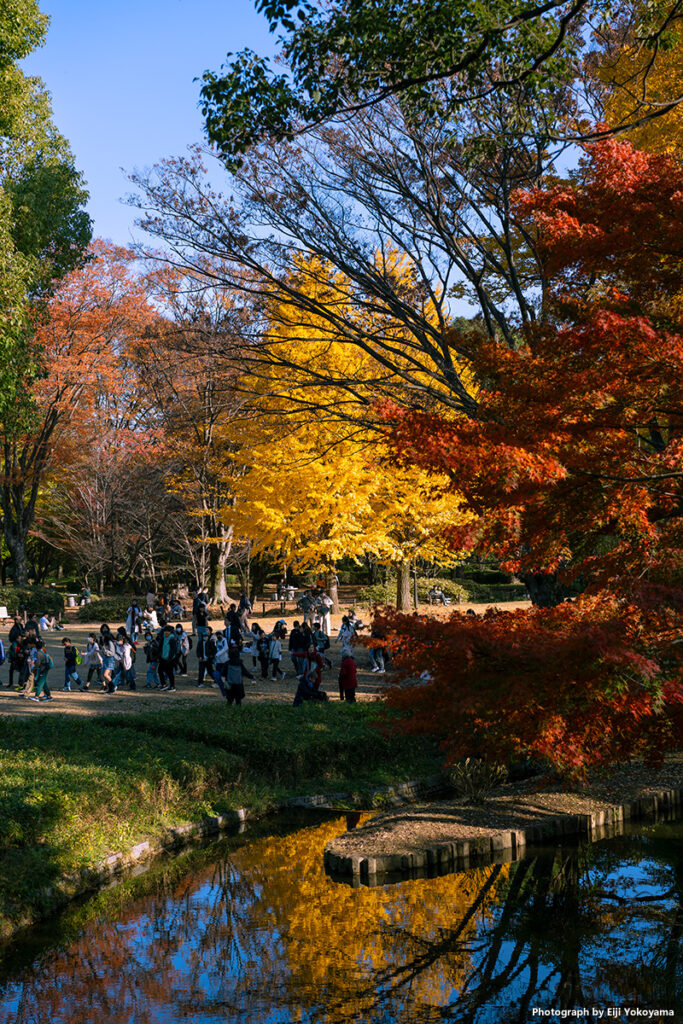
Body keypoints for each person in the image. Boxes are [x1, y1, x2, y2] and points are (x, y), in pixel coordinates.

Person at [157, 625, 179, 691]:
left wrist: (170, 659)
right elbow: (160, 648)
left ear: (170, 632)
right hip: (163, 658)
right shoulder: (163, 638)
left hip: (170, 659)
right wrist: (159, 657)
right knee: (160, 670)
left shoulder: (172, 639)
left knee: (170, 673)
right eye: (165, 631)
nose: (166, 633)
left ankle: (172, 686)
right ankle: (164, 684)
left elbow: (173, 650)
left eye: (168, 631)